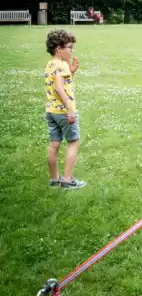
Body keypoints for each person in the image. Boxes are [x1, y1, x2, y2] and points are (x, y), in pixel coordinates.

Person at [44, 30, 86, 189]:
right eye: (69, 47)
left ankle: (55, 179)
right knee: (73, 142)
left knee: (54, 143)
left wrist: (72, 72)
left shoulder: (50, 64)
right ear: (58, 49)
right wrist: (70, 108)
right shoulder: (62, 65)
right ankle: (68, 180)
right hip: (64, 112)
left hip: (51, 111)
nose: (71, 50)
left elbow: (59, 84)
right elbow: (59, 89)